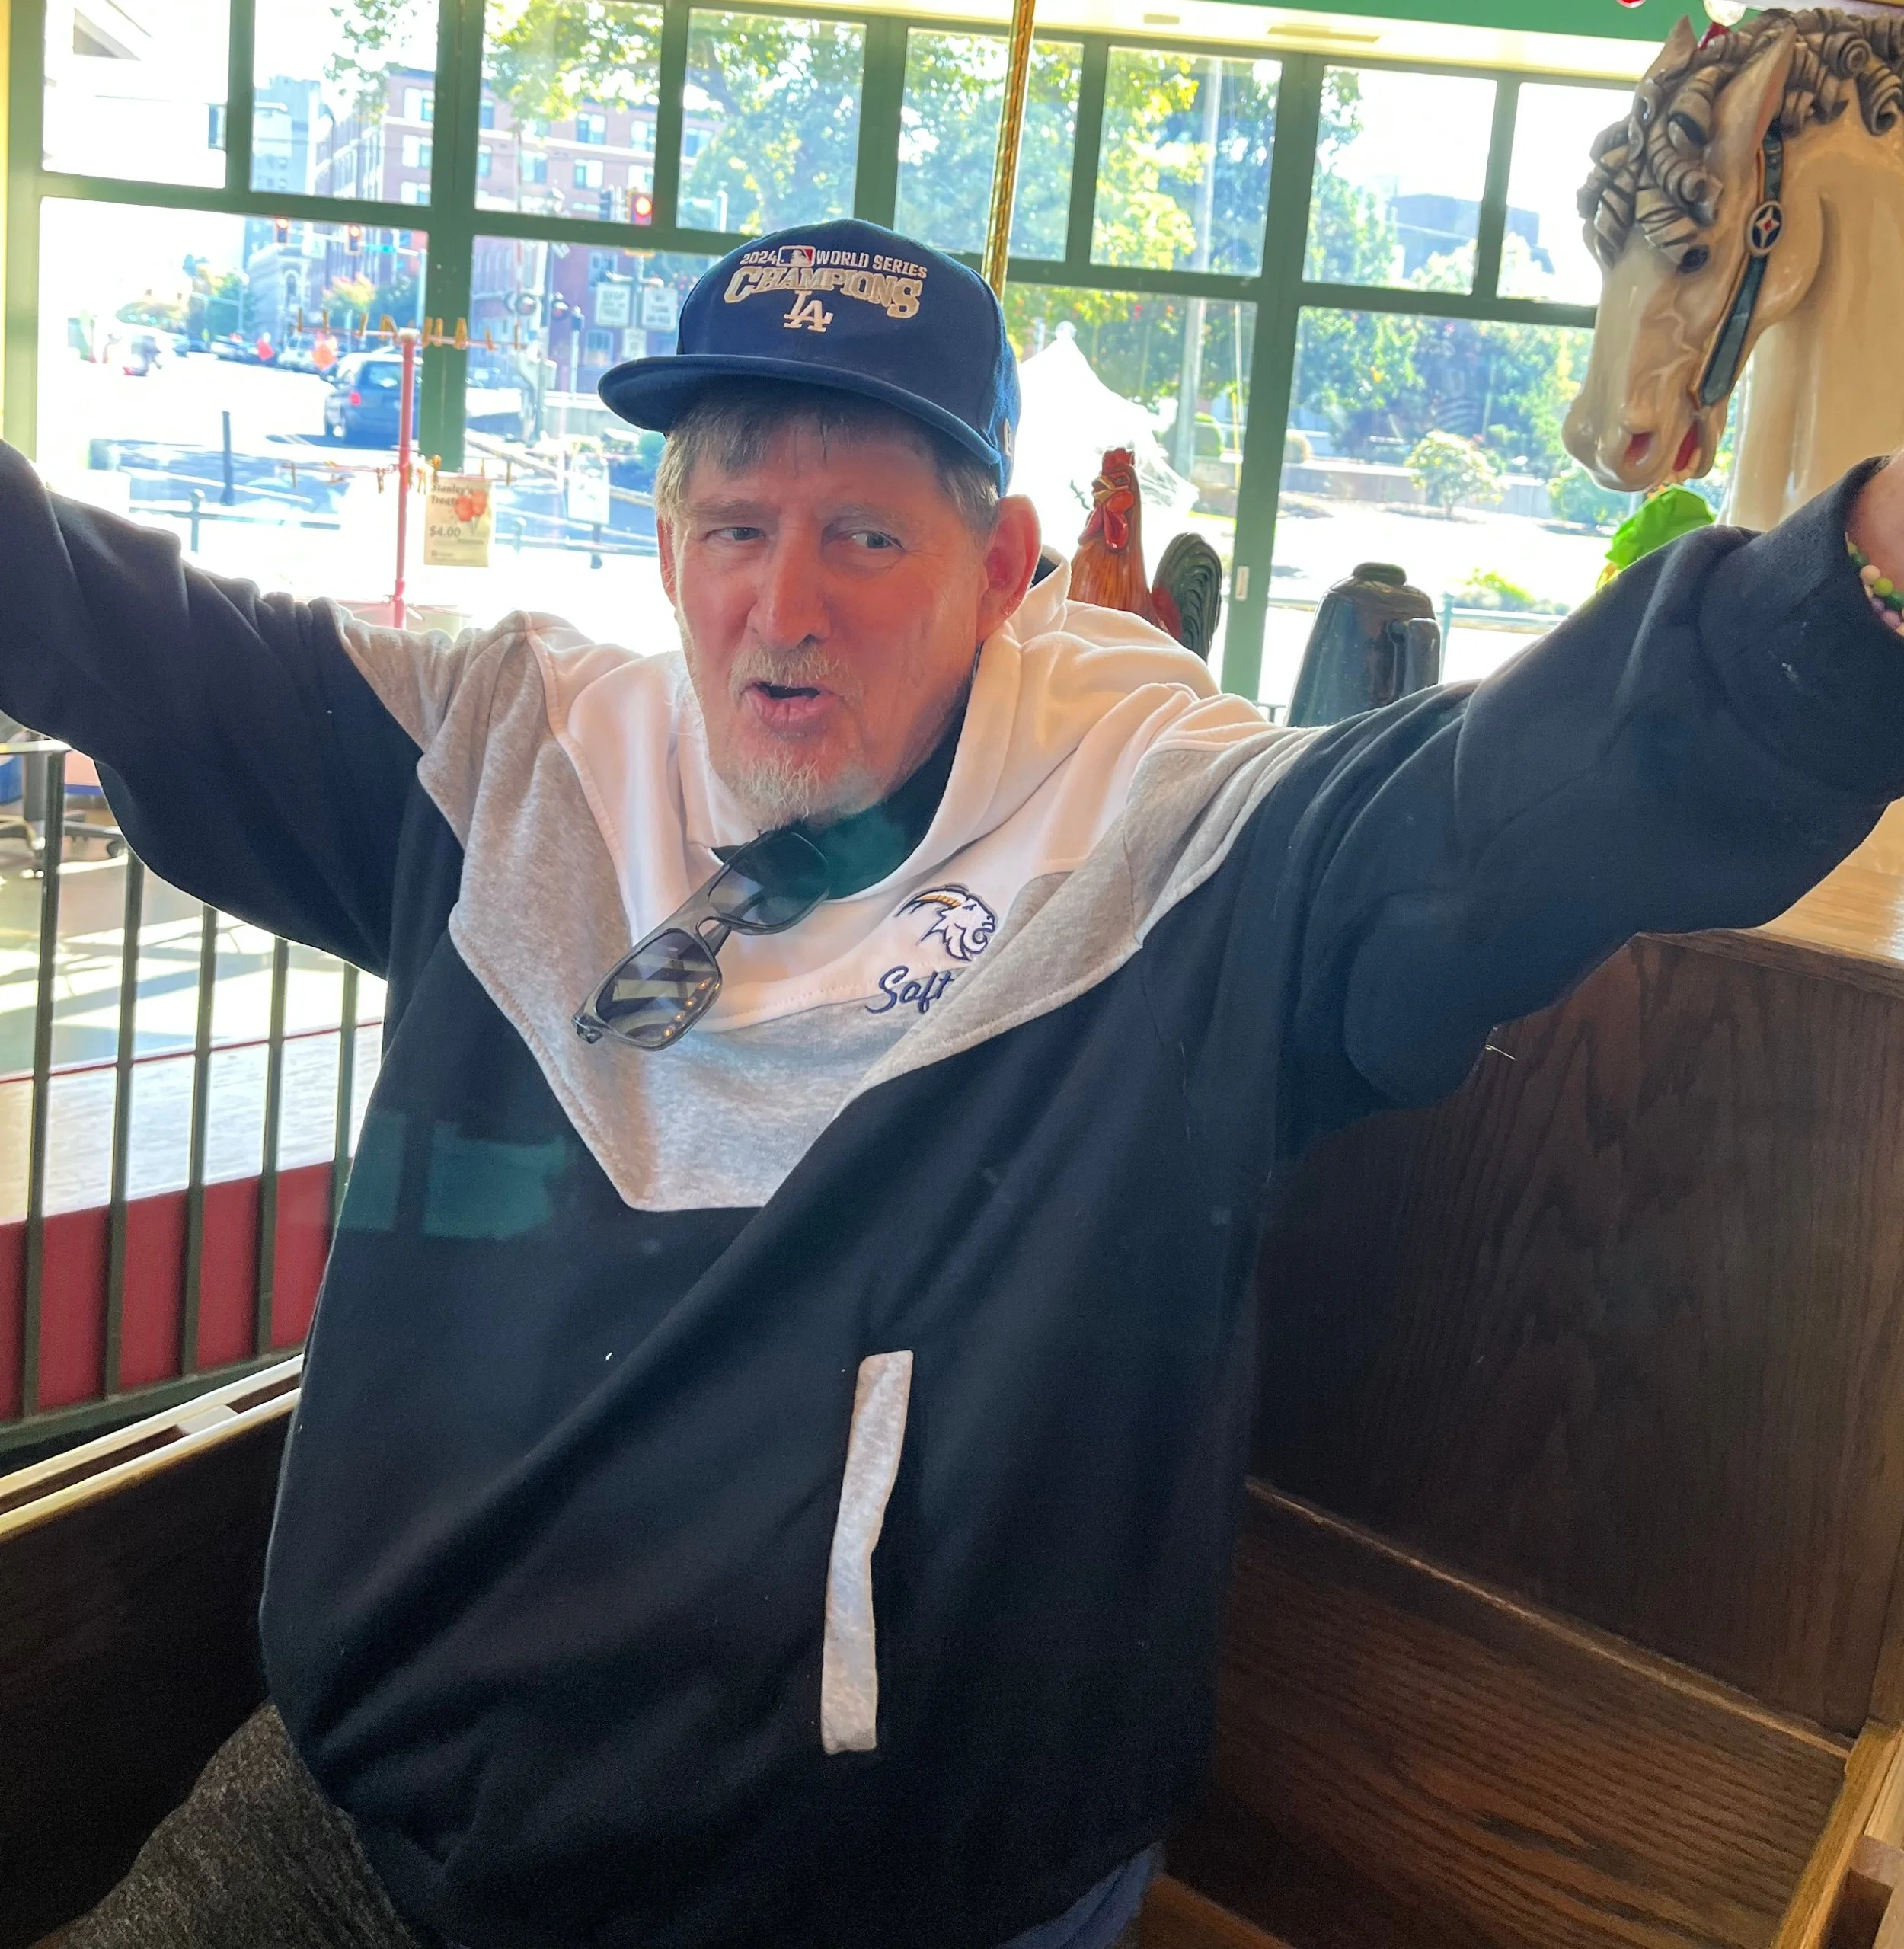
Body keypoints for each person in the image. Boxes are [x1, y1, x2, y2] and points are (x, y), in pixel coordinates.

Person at [20, 215, 1904, 1949]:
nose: (784, 605)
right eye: (737, 527)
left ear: (1000, 567)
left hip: (874, 1902)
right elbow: (137, 637)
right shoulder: (510, 748)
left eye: (865, 537)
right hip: (366, 1825)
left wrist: (1853, 592)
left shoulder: (1165, 849)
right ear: (668, 546)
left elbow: (1493, 814)